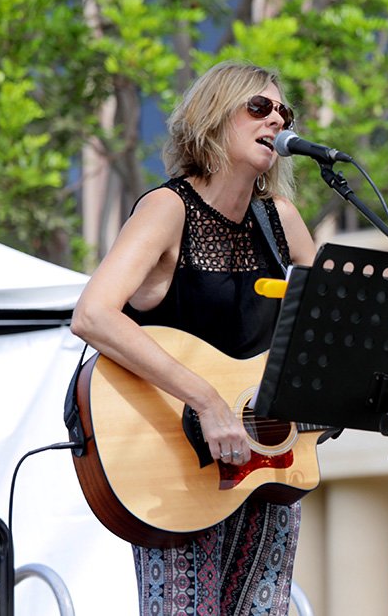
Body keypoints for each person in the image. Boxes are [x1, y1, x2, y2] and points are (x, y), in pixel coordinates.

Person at [71, 60, 317, 615]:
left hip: (267, 467)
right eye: (259, 107)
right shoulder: (167, 208)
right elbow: (93, 314)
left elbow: (328, 335)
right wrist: (206, 400)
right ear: (213, 117)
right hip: (173, 460)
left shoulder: (283, 221)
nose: (276, 118)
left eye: (284, 111)